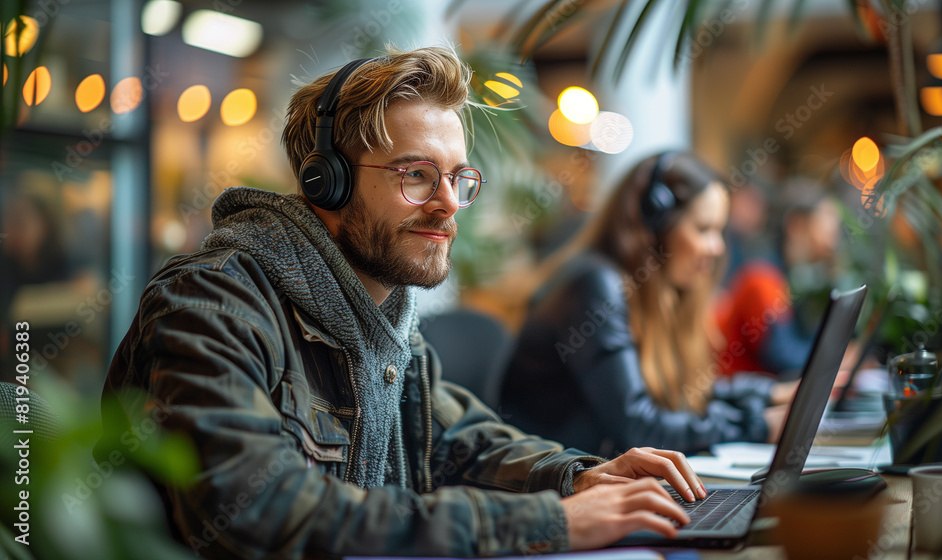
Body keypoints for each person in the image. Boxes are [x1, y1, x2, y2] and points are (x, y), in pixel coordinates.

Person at [98, 47, 708, 559]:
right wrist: (548, 524)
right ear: (326, 182)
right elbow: (258, 508)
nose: (447, 204)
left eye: (458, 178)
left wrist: (578, 477)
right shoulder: (212, 305)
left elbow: (457, 440)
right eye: (416, 175)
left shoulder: (384, 319)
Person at [498, 152, 797, 458]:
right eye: (704, 229)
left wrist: (768, 394)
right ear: (656, 226)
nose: (717, 248)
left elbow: (681, 393)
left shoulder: (653, 292)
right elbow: (638, 428)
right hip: (552, 488)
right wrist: (755, 424)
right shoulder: (595, 286)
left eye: (720, 231)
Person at [714, 179, 843, 378]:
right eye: (826, 220)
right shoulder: (763, 276)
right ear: (797, 225)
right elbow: (782, 356)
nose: (834, 234)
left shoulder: (792, 276)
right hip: (739, 400)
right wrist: (840, 357)